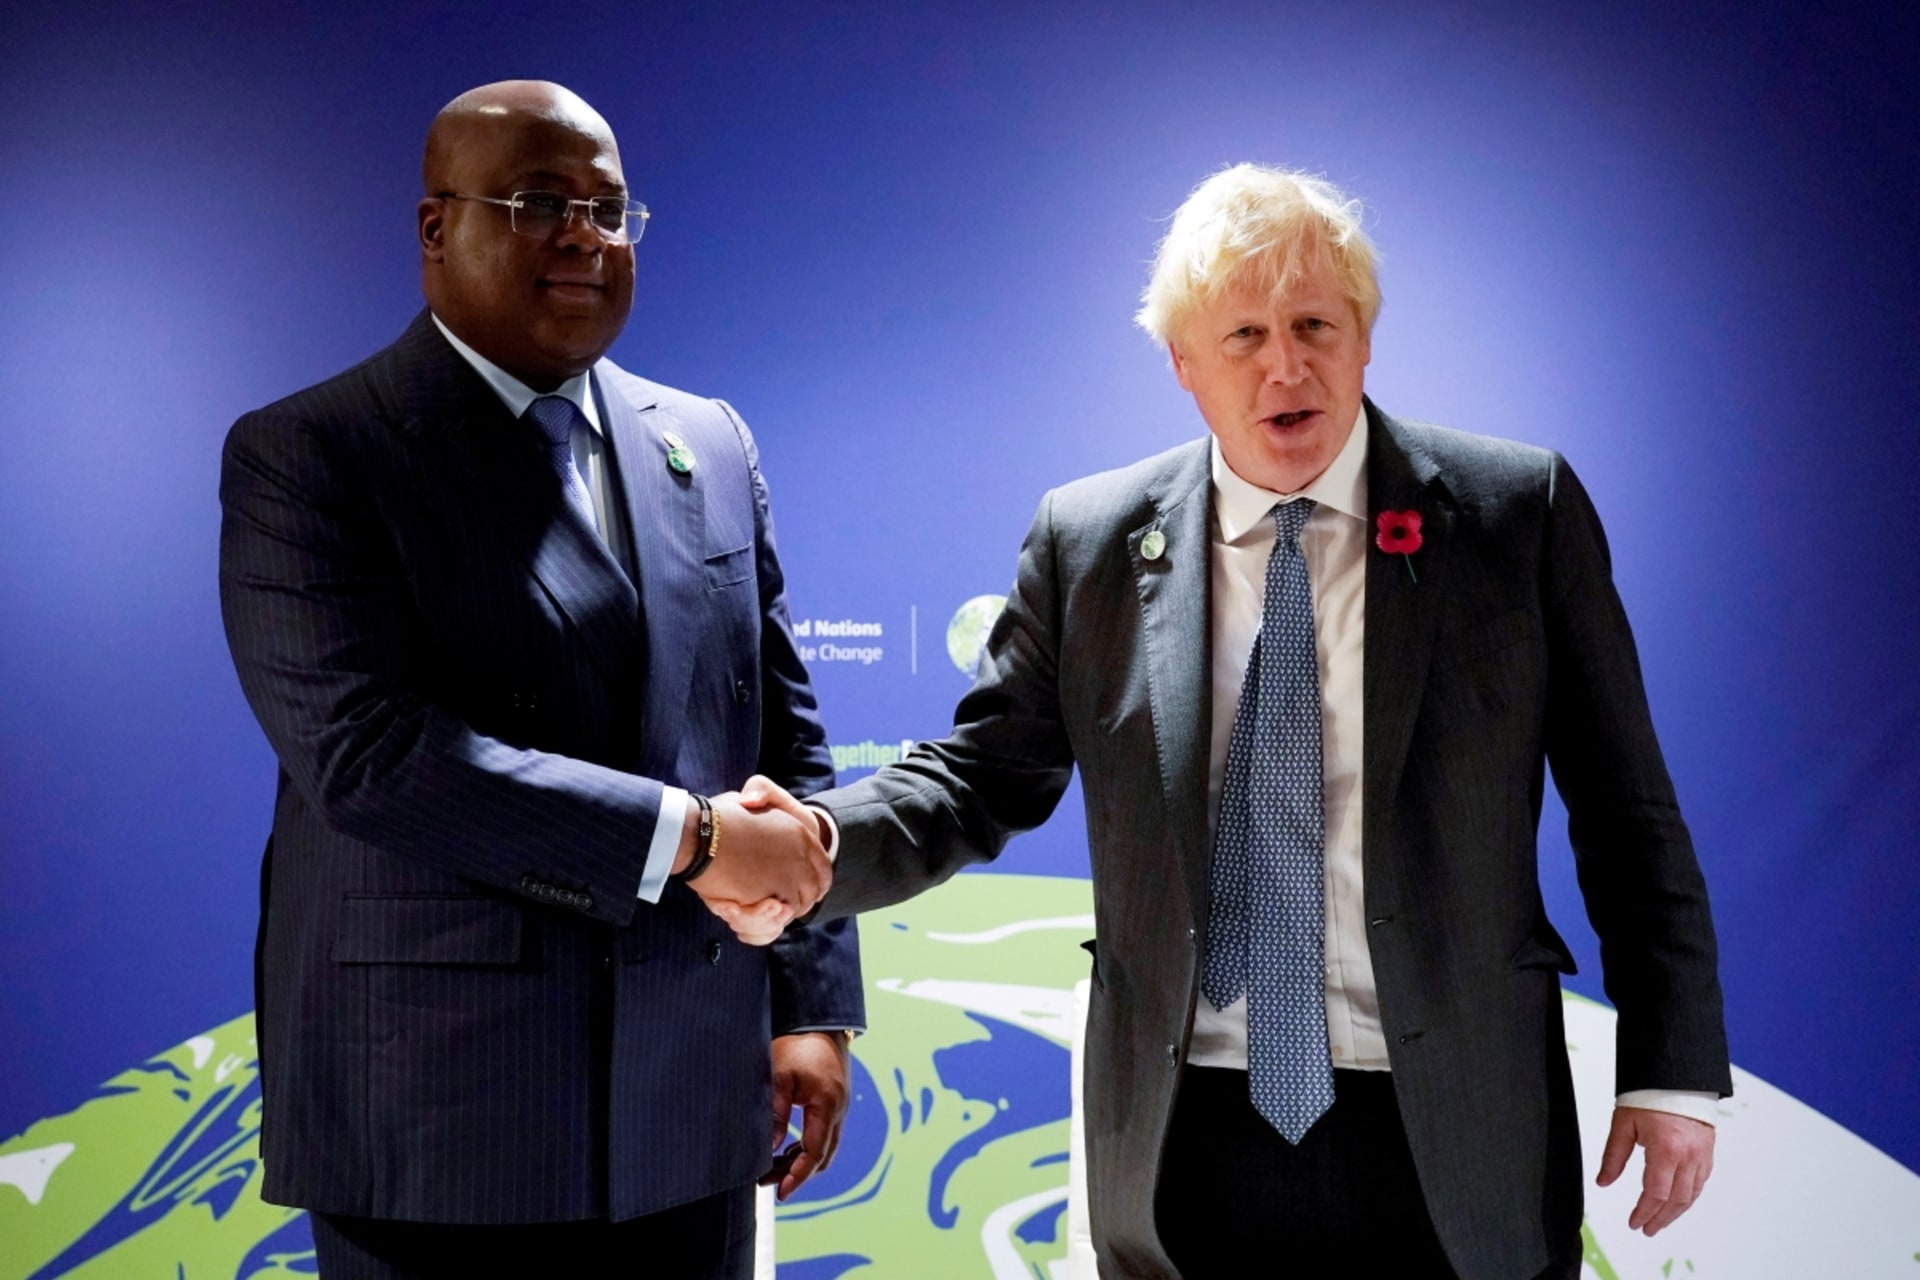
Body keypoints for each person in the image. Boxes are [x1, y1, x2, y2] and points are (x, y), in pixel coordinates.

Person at [739, 164, 1731, 1278]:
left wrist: (1671, 1066)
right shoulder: (1091, 540)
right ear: (1184, 365)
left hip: (1453, 1118)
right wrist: (820, 844)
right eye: (1244, 334)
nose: (1286, 365)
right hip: (1184, 1130)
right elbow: (981, 775)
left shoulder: (1514, 512)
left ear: (1364, 339)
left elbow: (1626, 808)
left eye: (1316, 323)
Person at [218, 80, 857, 1279]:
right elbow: (370, 755)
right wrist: (692, 836)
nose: (583, 235)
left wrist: (809, 1001)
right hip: (446, 1120)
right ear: (433, 228)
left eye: (610, 209)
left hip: (691, 1101)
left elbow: (781, 727)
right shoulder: (312, 454)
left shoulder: (709, 440)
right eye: (538, 201)